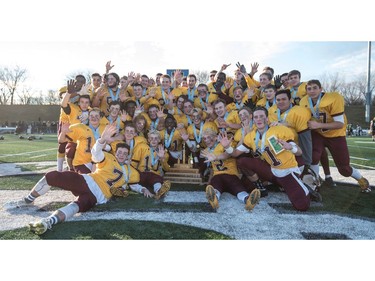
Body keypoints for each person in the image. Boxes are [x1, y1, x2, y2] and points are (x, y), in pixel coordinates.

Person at [3, 124, 155, 235]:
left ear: (128, 156)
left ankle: (48, 221)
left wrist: (143, 189)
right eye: (120, 152)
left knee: (76, 207)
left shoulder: (130, 171)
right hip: (88, 182)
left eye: (124, 153)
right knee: (52, 176)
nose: (121, 155)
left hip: (97, 198)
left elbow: (134, 184)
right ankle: (28, 200)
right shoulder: (108, 158)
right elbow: (95, 154)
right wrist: (102, 140)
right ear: (116, 153)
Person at [203, 106, 317, 211]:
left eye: (262, 116)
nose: (259, 119)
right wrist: (227, 147)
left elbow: (300, 151)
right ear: (254, 118)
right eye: (256, 116)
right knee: (242, 163)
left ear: (267, 118)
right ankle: (261, 187)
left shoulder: (279, 130)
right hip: (271, 170)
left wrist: (290, 147)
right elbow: (236, 153)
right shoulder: (251, 136)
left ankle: (304, 186)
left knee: (302, 206)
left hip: (286, 172)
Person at [299, 79, 371, 193]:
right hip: (318, 133)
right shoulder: (304, 101)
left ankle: (361, 179)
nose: (312, 91)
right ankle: (314, 184)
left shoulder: (333, 98)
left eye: (314, 88)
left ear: (321, 89)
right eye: (309, 88)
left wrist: (318, 124)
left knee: (344, 170)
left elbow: (340, 124)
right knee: (313, 157)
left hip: (336, 135)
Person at [199, 128, 261, 211]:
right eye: (204, 138)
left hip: (230, 175)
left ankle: (247, 200)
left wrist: (215, 156)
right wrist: (209, 182)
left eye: (209, 137)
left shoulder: (223, 144)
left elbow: (227, 155)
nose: (206, 140)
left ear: (215, 137)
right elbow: (213, 169)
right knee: (218, 186)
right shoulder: (207, 150)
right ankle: (215, 199)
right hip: (219, 176)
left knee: (237, 187)